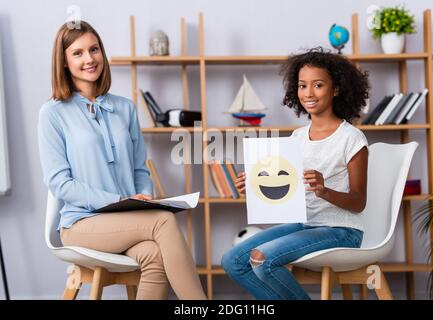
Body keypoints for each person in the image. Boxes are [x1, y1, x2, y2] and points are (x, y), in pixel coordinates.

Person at [38, 20, 206, 300]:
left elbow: (141, 168)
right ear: (64, 62)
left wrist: (145, 197)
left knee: (154, 255)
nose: (89, 59)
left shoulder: (125, 108)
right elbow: (59, 183)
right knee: (163, 222)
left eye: (94, 49)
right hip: (80, 223)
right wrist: (116, 200)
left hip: (126, 219)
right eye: (77, 53)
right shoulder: (52, 113)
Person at [221, 47, 370, 300]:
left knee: (261, 259)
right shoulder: (297, 138)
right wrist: (256, 186)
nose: (308, 93)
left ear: (336, 89)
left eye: (318, 85)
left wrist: (324, 191)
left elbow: (358, 202)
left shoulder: (352, 138)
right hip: (304, 224)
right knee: (233, 260)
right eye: (302, 86)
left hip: (342, 230)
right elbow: (288, 189)